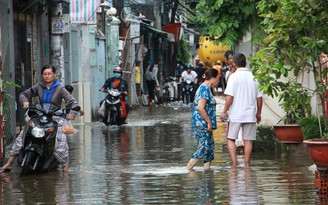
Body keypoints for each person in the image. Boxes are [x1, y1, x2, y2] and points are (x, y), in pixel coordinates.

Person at [0, 64, 80, 172]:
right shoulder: (39, 87)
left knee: (61, 141)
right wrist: (25, 102)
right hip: (40, 115)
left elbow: (73, 102)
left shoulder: (60, 88)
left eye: (49, 74)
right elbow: (24, 94)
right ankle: (9, 163)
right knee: (23, 135)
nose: (47, 76)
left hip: (56, 117)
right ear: (42, 75)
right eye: (45, 74)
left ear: (54, 75)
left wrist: (72, 114)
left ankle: (65, 168)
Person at [220, 53, 263, 167]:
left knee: (231, 139)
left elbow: (229, 98)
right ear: (246, 63)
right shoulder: (254, 77)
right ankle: (247, 164)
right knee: (248, 140)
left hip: (235, 115)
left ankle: (234, 164)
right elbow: (259, 98)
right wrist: (258, 113)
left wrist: (224, 111)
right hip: (250, 114)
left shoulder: (233, 77)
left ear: (233, 63)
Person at [186, 68, 220, 171]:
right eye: (217, 78)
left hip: (205, 124)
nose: (218, 81)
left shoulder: (207, 88)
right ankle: (189, 168)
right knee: (204, 146)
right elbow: (200, 107)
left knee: (209, 148)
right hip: (202, 123)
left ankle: (207, 172)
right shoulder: (204, 89)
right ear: (213, 78)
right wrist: (209, 122)